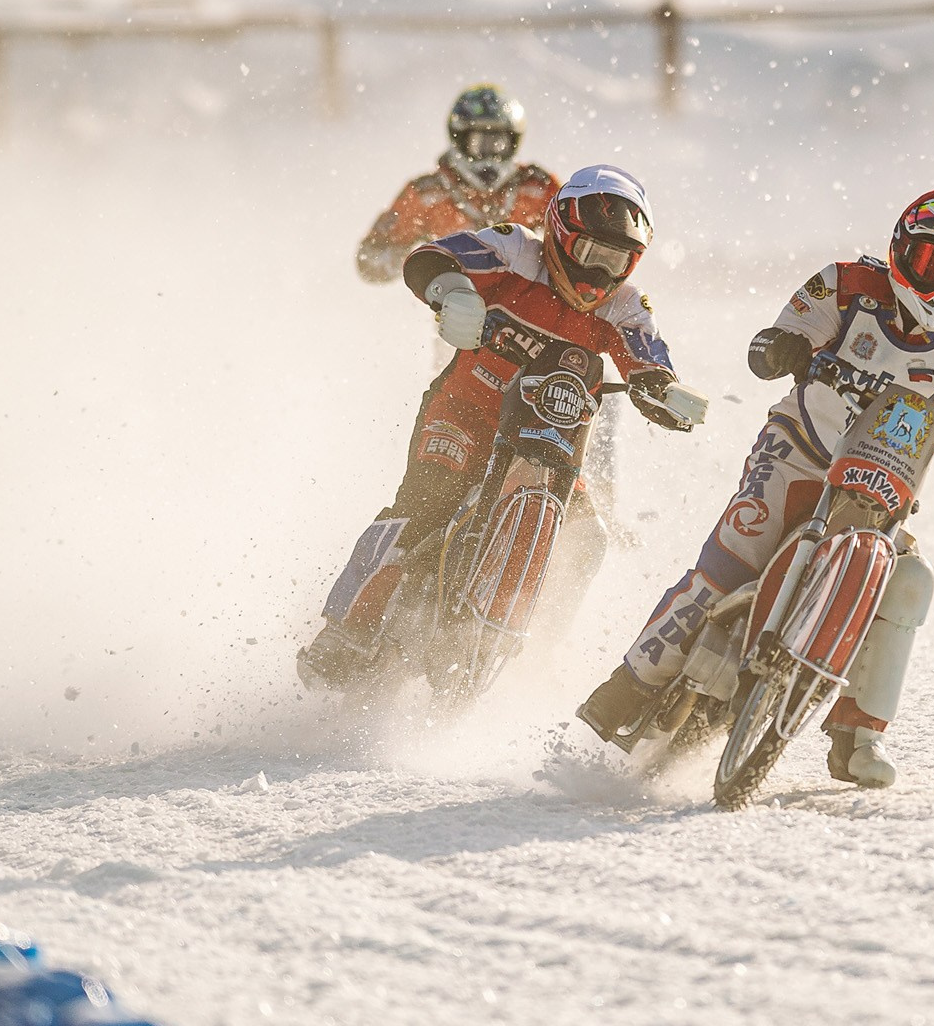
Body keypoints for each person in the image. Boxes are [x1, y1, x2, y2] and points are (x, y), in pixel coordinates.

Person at [577, 189, 934, 788]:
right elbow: (781, 335)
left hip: (884, 477)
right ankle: (629, 685)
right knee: (730, 561)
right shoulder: (846, 285)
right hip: (797, 449)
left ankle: (860, 738)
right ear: (904, 251)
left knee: (909, 581)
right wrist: (785, 348)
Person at [299, 164, 709, 685]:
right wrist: (454, 292)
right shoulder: (514, 250)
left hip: (552, 442)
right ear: (562, 236)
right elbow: (430, 258)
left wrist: (666, 392)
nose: (599, 274)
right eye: (591, 254)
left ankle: (533, 658)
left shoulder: (626, 307)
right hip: (465, 414)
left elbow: (647, 360)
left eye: (617, 261)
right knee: (425, 505)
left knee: (589, 540)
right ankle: (343, 630)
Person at [354, 84, 559, 285]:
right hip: (456, 305)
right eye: (479, 143)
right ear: (459, 139)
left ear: (513, 142)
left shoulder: (538, 188)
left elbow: (578, 237)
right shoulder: (427, 194)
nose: (489, 154)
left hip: (529, 305)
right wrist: (422, 264)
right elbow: (370, 261)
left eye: (498, 143)